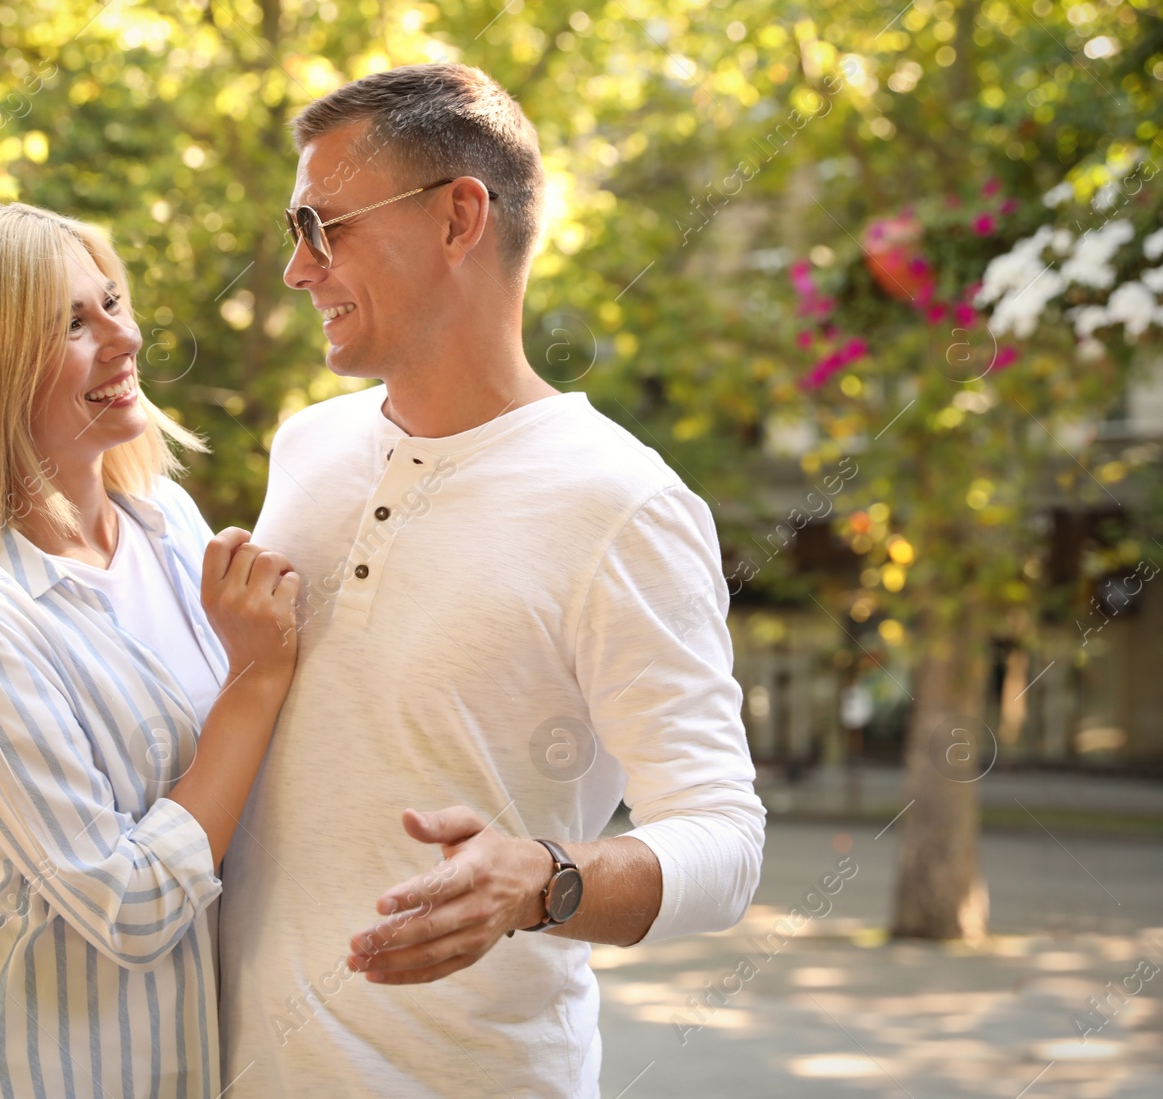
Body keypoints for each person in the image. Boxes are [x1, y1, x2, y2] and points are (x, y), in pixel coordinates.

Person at [216, 63, 767, 1097]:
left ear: (458, 218)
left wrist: (546, 878)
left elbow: (725, 841)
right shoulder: (306, 449)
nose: (297, 269)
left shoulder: (622, 506)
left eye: (321, 226)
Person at [0, 202, 299, 1099]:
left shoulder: (172, 527)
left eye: (112, 301)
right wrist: (254, 681)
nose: (123, 337)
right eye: (71, 324)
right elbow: (128, 906)